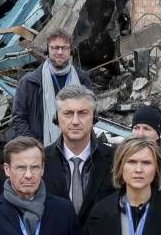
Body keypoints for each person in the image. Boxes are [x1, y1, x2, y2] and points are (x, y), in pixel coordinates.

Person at [46, 84, 113, 220]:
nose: (75, 121)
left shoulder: (115, 159)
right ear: (57, 118)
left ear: (94, 117)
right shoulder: (41, 160)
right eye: (68, 113)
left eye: (83, 113)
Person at [9, 27, 78, 144]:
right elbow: (18, 119)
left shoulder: (81, 79)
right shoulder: (29, 82)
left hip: (74, 148)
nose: (60, 52)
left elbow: (90, 115)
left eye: (64, 48)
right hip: (40, 149)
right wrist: (36, 146)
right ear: (48, 49)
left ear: (70, 51)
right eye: (55, 47)